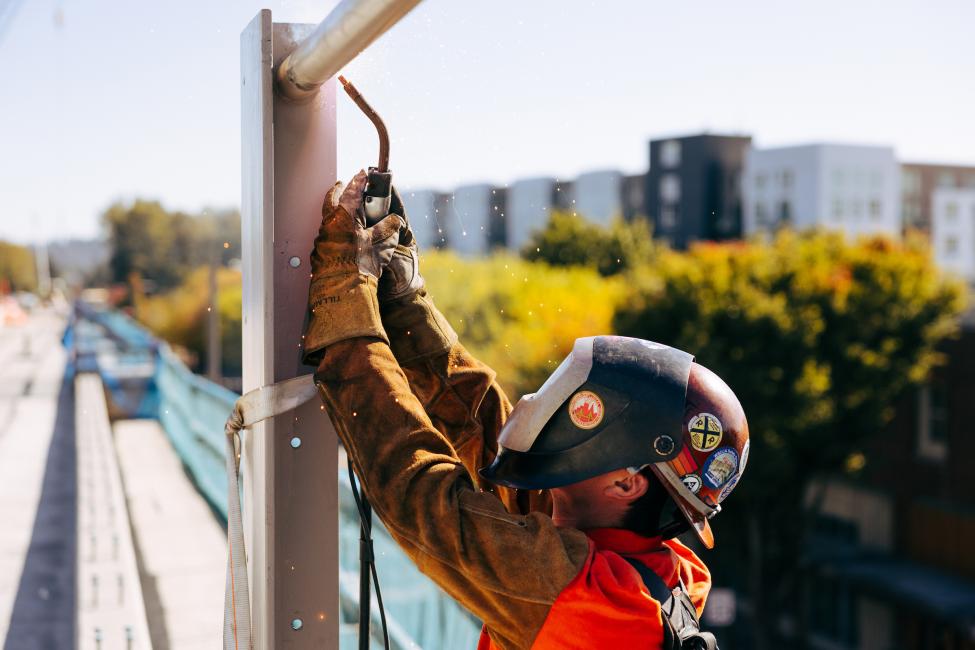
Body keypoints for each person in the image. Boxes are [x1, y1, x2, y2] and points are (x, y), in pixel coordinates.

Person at [304, 171, 750, 650]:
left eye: (583, 420)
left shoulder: (587, 602)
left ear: (626, 481)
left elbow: (422, 499)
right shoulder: (650, 569)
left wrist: (343, 302)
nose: (547, 416)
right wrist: (404, 299)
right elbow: (481, 426)